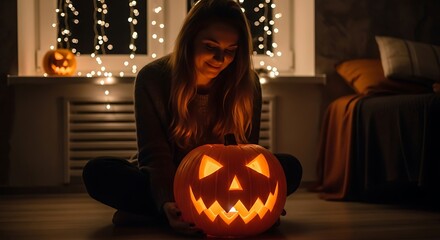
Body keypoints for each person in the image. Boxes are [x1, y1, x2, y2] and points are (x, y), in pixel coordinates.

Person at [82, 0, 302, 236]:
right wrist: (166, 201)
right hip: (167, 175)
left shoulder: (247, 83)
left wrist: (267, 202)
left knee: (289, 167)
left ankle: (149, 213)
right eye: (210, 46)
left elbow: (250, 153)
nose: (220, 59)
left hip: (220, 185)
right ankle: (167, 211)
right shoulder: (153, 78)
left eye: (230, 51)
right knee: (98, 171)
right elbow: (154, 155)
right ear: (189, 40)